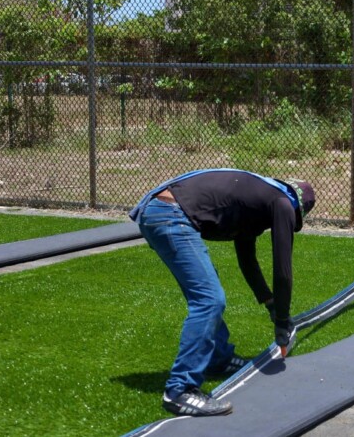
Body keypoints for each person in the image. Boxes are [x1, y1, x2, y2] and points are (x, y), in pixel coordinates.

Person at [128, 168, 315, 417]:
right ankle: (179, 390)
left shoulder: (258, 198)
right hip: (171, 216)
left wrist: (270, 303)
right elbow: (283, 270)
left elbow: (247, 260)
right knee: (209, 300)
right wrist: (282, 321)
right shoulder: (282, 203)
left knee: (207, 294)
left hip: (163, 212)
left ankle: (219, 358)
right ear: (297, 210)